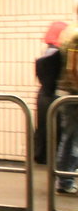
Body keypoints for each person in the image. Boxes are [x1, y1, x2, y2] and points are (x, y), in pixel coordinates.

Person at [34, 21, 67, 164]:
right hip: (54, 98)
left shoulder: (48, 52)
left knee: (45, 133)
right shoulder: (57, 54)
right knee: (58, 135)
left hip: (44, 97)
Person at [55, 21, 78, 195]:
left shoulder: (68, 31)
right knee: (72, 139)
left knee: (70, 138)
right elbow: (74, 68)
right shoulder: (76, 35)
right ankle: (65, 181)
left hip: (67, 92)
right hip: (73, 93)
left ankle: (66, 177)